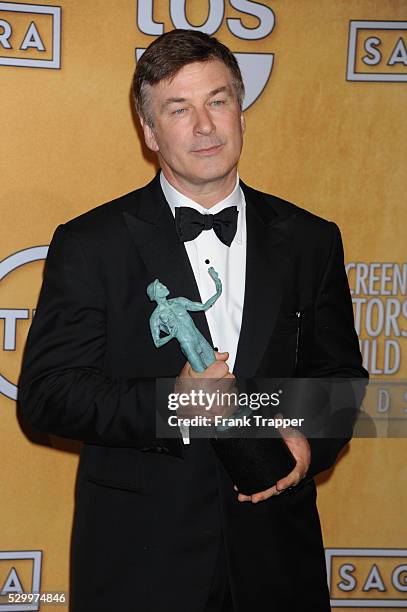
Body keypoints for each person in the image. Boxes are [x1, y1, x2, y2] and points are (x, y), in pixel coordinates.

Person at [19, 29, 368, 611]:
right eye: (179, 109)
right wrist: (170, 405)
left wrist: (310, 444)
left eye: (219, 100)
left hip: (277, 556)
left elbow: (340, 378)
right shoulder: (90, 243)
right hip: (140, 561)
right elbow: (48, 395)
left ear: (241, 112)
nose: (204, 126)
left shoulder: (311, 239)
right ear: (150, 133)